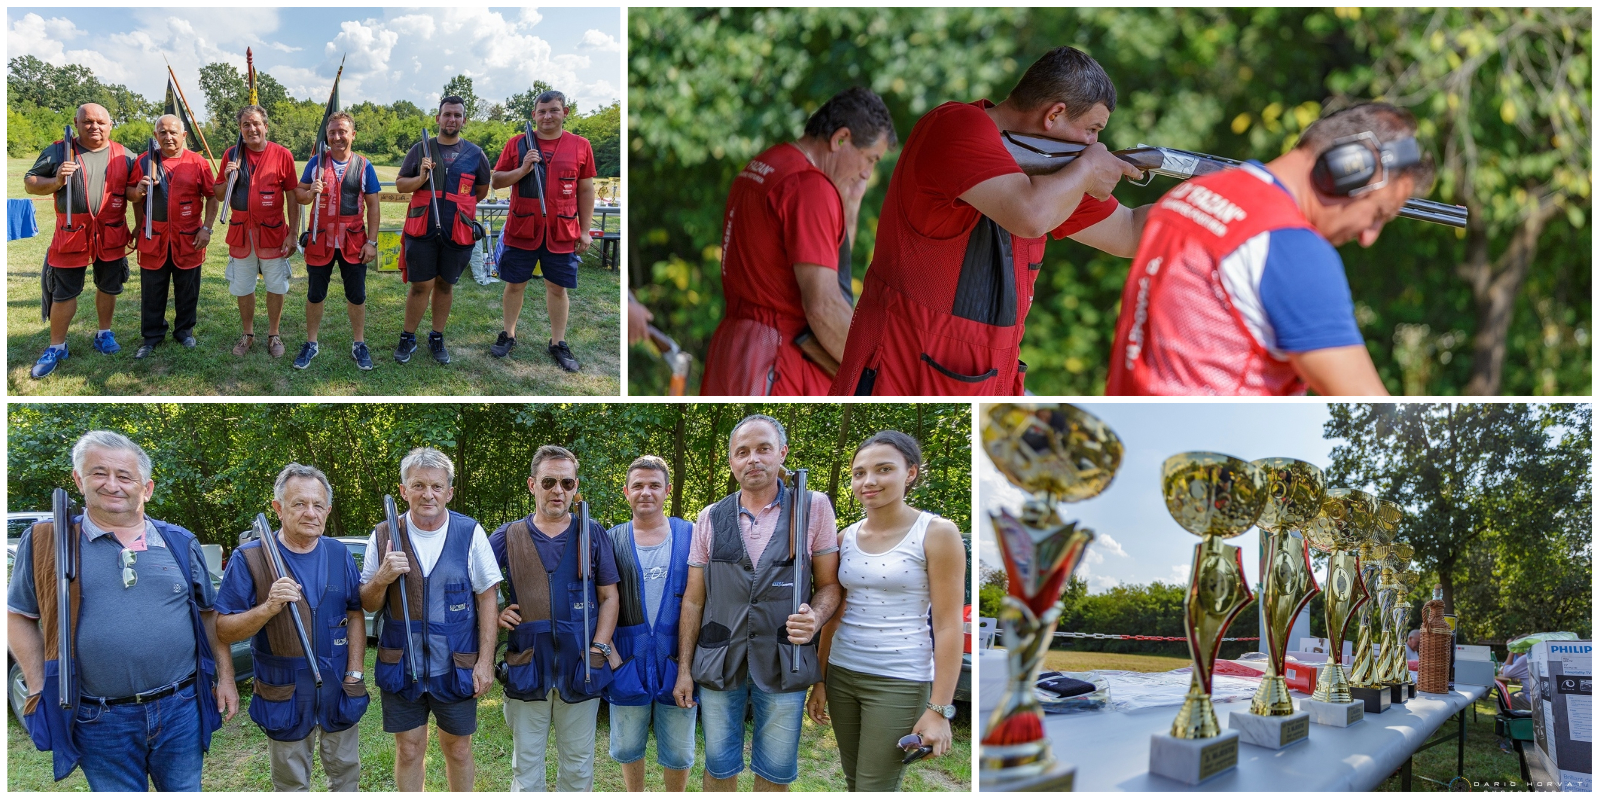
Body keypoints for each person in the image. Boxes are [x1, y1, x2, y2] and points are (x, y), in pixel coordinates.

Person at [829, 47, 1150, 396]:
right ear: (1054, 114)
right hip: (899, 377)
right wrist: (1087, 170)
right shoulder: (955, 125)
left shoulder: (1055, 178)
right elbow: (1031, 216)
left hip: (985, 385)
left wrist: (1197, 194)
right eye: (1092, 129)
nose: (1095, 145)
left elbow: (1131, 232)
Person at [1106, 103, 1434, 395]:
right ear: (1349, 168)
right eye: (1378, 214)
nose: (1368, 237)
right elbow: (1374, 412)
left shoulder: (1183, 199)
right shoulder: (1290, 247)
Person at [6, 430, 237, 790]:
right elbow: (19, 616)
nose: (112, 485)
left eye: (125, 476)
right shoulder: (47, 543)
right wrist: (38, 686)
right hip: (97, 717)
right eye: (99, 473)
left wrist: (225, 678)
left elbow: (209, 617)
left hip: (181, 706)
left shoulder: (179, 542)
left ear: (146, 489)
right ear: (78, 480)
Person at [674, 414, 842, 791]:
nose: (753, 459)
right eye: (743, 452)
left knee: (776, 767)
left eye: (764, 449)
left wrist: (815, 617)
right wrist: (685, 669)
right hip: (719, 658)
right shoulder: (710, 517)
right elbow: (693, 601)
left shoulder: (812, 507)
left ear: (782, 453)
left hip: (786, 658)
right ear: (731, 461)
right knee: (719, 765)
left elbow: (830, 585)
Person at [700, 87, 895, 396]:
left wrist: (852, 201)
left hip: (736, 349)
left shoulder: (766, 164)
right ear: (841, 139)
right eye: (870, 159)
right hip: (776, 359)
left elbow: (835, 270)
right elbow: (824, 307)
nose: (867, 174)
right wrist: (881, 375)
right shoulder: (809, 187)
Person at [807, 431, 964, 791]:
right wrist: (821, 679)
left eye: (883, 469)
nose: (869, 481)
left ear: (911, 472)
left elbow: (948, 626)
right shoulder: (844, 538)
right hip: (843, 675)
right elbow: (835, 615)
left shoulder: (937, 533)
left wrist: (939, 710)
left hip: (899, 680)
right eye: (859, 473)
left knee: (874, 787)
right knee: (854, 783)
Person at [215, 463, 368, 791]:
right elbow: (223, 630)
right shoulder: (251, 558)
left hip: (338, 688)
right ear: (278, 508)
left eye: (318, 505)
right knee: (291, 786)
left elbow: (355, 613)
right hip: (284, 693)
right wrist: (268, 608)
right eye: (299, 503)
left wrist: (355, 672)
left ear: (327, 511)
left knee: (347, 778)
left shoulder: (338, 553)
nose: (310, 513)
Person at [360, 447, 501, 792]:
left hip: (455, 665)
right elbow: (367, 603)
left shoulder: (469, 532)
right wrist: (382, 578)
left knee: (459, 749)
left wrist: (485, 662)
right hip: (401, 665)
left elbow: (487, 599)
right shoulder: (383, 534)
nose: (428, 494)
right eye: (418, 485)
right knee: (409, 750)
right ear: (404, 490)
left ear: (449, 492)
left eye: (437, 486)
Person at [489, 445, 620, 791]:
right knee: (526, 766)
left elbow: (609, 596)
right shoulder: (508, 535)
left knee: (578, 767)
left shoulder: (592, 533)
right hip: (527, 665)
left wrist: (599, 648)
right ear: (533, 484)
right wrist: (495, 612)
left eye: (566, 482)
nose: (557, 490)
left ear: (576, 487)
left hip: (581, 666)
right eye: (548, 482)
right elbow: (475, 585)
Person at [604, 455, 697, 791]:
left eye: (654, 485)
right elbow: (597, 601)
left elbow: (703, 600)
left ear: (667, 490)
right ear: (626, 491)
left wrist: (688, 666)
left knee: (678, 751)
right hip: (626, 659)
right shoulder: (610, 540)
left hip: (677, 659)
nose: (646, 492)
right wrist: (613, 659)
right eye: (638, 485)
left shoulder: (690, 535)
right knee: (628, 747)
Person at [24, 103, 137, 378]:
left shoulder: (126, 155)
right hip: (71, 235)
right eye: (87, 121)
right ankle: (56, 346)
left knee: (109, 286)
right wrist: (56, 181)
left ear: (110, 125)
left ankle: (104, 334)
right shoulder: (60, 150)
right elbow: (30, 182)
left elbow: (135, 192)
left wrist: (141, 224)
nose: (94, 126)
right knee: (63, 292)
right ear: (76, 122)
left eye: (100, 122)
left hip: (111, 233)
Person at [488, 90, 597, 372]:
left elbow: (586, 190)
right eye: (542, 111)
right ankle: (508, 334)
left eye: (554, 110)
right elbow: (497, 181)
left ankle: (558, 342)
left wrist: (585, 230)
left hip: (562, 231)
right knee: (515, 284)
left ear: (565, 112)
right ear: (534, 114)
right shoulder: (517, 143)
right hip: (522, 228)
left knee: (557, 288)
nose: (547, 116)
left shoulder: (581, 145)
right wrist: (523, 168)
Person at [393, 96, 491, 365]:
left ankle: (437, 337)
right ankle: (408, 336)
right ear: (438, 118)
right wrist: (421, 178)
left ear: (464, 120)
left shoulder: (476, 153)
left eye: (457, 115)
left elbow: (480, 190)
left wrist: (457, 207)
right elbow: (401, 185)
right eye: (447, 114)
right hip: (422, 228)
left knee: (445, 284)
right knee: (420, 285)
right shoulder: (420, 149)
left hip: (458, 230)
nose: (452, 119)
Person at [292, 112, 382, 371]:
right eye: (332, 132)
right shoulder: (316, 163)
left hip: (353, 243)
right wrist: (311, 192)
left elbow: (374, 206)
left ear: (353, 134)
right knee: (315, 294)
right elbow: (299, 195)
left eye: (342, 131)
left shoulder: (364, 166)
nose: (337, 137)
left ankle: (359, 343)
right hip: (320, 240)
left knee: (357, 295)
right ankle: (311, 343)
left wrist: (372, 242)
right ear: (327, 136)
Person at [127, 114, 219, 360]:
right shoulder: (144, 161)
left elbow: (212, 197)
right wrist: (138, 191)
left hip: (189, 237)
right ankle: (151, 336)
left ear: (184, 135)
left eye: (173, 132)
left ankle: (184, 332)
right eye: (163, 132)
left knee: (188, 288)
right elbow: (131, 195)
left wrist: (207, 228)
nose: (168, 137)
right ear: (155, 135)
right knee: (152, 290)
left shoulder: (197, 162)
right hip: (154, 237)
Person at [216, 104, 301, 359]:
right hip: (241, 234)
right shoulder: (231, 154)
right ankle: (248, 333)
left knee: (276, 284)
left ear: (265, 126)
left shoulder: (282, 155)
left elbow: (293, 197)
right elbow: (218, 194)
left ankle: (274, 334)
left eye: (256, 124)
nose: (251, 129)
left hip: (274, 233)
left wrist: (293, 234)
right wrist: (227, 177)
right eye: (246, 125)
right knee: (243, 286)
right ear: (240, 129)